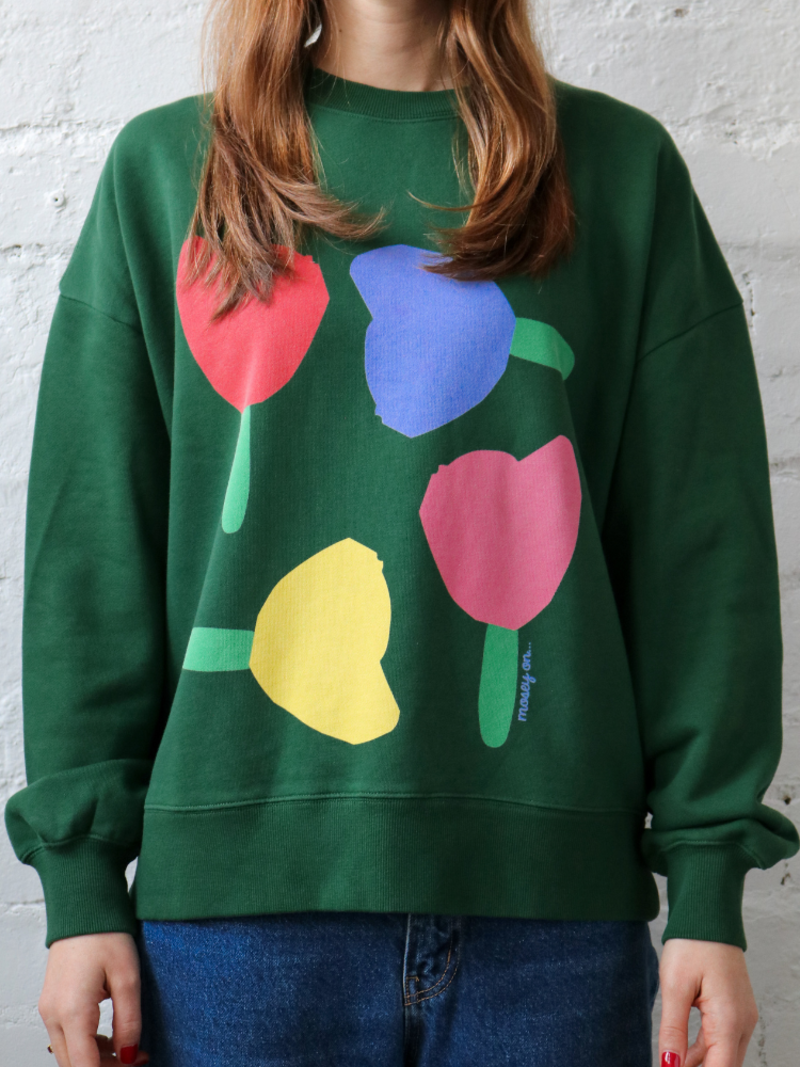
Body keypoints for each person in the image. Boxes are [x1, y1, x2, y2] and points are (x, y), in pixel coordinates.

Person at [4, 0, 798, 1065]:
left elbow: (699, 551)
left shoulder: (620, 169)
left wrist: (707, 882)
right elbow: (91, 547)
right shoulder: (168, 171)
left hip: (549, 930)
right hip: (237, 933)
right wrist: (80, 883)